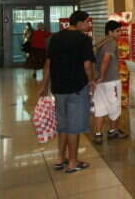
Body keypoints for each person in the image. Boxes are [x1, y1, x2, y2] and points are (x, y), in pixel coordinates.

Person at [38, 11, 95, 173]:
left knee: (62, 125)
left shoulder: (54, 38)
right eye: (87, 22)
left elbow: (48, 64)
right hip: (76, 88)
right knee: (73, 128)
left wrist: (44, 86)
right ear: (80, 23)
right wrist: (91, 81)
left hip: (58, 89)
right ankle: (73, 162)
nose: (89, 25)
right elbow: (87, 66)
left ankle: (60, 158)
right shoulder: (84, 39)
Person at [92, 20, 128, 144]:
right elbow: (106, 60)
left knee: (100, 107)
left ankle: (98, 134)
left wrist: (99, 77)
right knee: (115, 106)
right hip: (110, 81)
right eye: (117, 31)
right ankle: (113, 131)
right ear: (110, 32)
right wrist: (103, 76)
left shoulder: (100, 41)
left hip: (99, 81)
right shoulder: (111, 42)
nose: (120, 33)